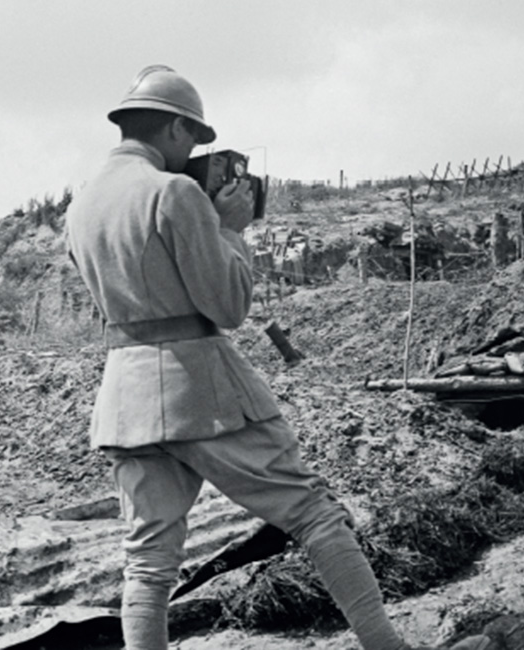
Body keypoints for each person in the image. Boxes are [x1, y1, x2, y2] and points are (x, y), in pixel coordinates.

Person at [64, 66, 496, 650]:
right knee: (315, 514)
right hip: (199, 387)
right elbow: (228, 304)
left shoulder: (81, 204)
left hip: (125, 395)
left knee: (148, 558)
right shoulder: (175, 193)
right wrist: (231, 229)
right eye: (193, 138)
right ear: (172, 128)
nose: (194, 153)